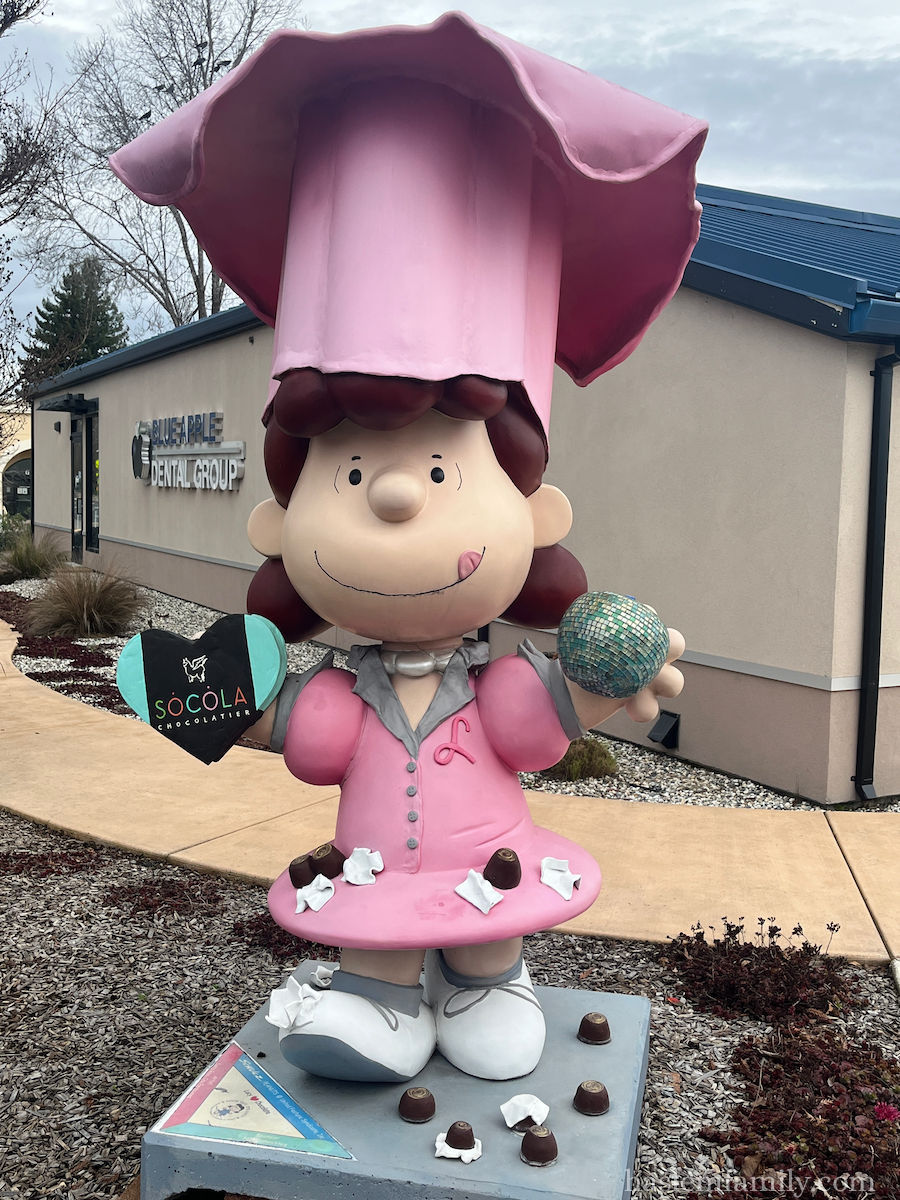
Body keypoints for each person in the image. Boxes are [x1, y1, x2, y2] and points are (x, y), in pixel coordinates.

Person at [109, 11, 706, 1084]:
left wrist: (607, 680)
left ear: (536, 514)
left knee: (487, 946)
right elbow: (305, 735)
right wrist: (210, 700)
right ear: (278, 530)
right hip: (374, 871)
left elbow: (535, 726)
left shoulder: (495, 685)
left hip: (490, 868)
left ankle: (486, 981)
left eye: (440, 471)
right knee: (371, 929)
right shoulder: (346, 692)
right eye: (345, 472)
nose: (390, 495)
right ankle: (379, 999)